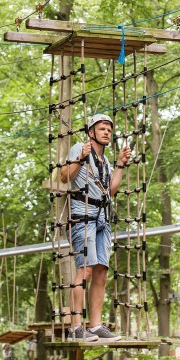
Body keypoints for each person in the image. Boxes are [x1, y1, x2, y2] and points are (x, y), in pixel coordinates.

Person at [60, 114, 130, 342]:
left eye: (109, 129)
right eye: (102, 128)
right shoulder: (79, 148)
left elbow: (110, 190)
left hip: (101, 218)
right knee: (86, 269)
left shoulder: (106, 161)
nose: (107, 132)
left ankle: (96, 325)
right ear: (91, 132)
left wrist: (120, 164)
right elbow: (64, 177)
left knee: (101, 270)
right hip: (82, 217)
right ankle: (76, 327)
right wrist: (80, 157)